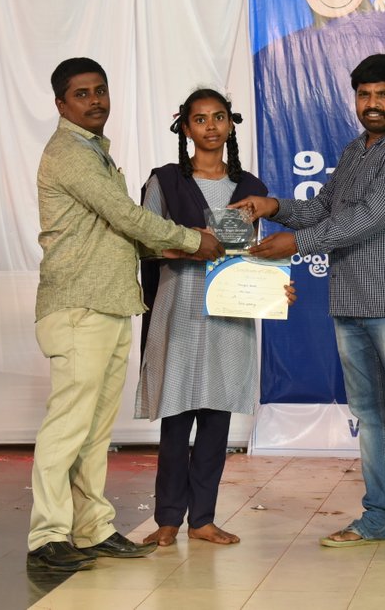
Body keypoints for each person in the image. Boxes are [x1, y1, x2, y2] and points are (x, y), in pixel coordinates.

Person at [232, 54, 385, 557]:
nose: (372, 103)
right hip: (351, 299)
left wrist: (296, 244)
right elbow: (323, 208)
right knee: (371, 415)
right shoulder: (356, 149)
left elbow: (369, 216)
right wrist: (274, 206)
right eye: (364, 94)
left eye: (383, 94)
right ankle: (379, 518)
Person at [29, 58, 223, 572]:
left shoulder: (96, 151)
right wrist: (191, 240)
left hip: (111, 302)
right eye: (81, 94)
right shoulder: (70, 152)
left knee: (94, 431)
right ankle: (47, 536)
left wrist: (170, 249)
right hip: (79, 305)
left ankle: (91, 528)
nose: (95, 101)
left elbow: (115, 232)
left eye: (100, 90)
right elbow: (125, 216)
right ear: (61, 104)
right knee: (67, 426)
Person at [134, 88, 292, 547]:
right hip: (178, 310)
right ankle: (167, 519)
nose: (210, 126)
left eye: (218, 117)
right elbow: (144, 243)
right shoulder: (164, 181)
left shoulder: (250, 188)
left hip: (228, 315)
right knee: (176, 417)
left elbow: (252, 255)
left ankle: (202, 519)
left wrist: (275, 287)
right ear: (185, 127)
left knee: (216, 421)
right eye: (200, 119)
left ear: (230, 124)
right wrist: (189, 244)